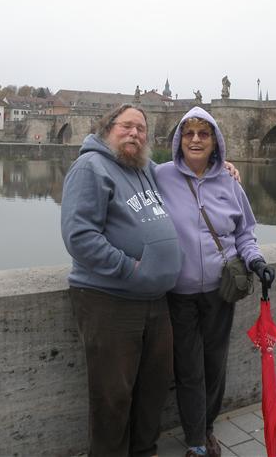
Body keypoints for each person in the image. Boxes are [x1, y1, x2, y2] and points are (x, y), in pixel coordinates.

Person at [61, 104, 182, 457]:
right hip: (109, 299)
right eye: (126, 127)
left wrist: (224, 169)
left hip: (154, 300)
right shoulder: (90, 167)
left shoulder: (144, 166)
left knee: (153, 390)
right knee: (112, 396)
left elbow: (185, 175)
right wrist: (130, 269)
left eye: (141, 129)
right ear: (106, 129)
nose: (134, 134)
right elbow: (79, 236)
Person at [154, 106, 275, 457]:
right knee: (189, 368)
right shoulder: (160, 176)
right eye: (188, 133)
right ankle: (195, 441)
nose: (195, 140)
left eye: (203, 134)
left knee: (214, 365)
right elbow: (127, 174)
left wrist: (257, 262)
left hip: (220, 294)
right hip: (178, 293)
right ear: (179, 140)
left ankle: (206, 427)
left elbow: (245, 234)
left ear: (214, 142)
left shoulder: (229, 182)